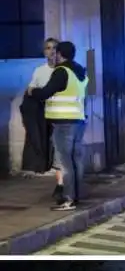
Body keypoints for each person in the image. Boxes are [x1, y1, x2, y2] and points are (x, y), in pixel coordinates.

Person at [26, 41, 88, 211]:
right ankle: (77, 195)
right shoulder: (80, 71)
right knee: (76, 161)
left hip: (63, 122)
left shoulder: (62, 71)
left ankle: (68, 199)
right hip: (78, 121)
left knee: (65, 162)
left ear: (60, 54)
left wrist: (32, 91)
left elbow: (46, 92)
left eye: (56, 52)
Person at [20, 37, 60, 180]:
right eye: (48, 48)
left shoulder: (62, 70)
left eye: (54, 48)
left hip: (58, 108)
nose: (51, 52)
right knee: (38, 135)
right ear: (44, 52)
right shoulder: (40, 70)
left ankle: (54, 166)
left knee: (56, 138)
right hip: (42, 106)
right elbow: (31, 88)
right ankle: (38, 165)